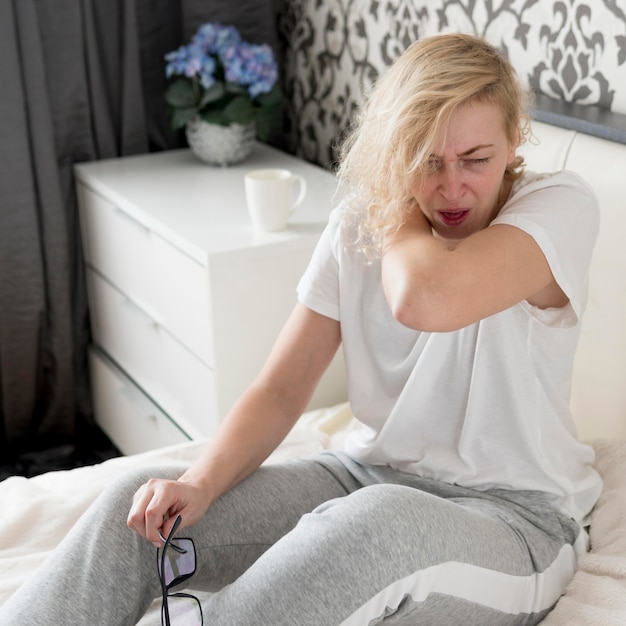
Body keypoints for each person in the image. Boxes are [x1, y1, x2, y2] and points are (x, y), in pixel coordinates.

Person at [0, 33, 602, 626]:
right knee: (139, 509)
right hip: (363, 476)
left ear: (515, 141)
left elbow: (425, 295)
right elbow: (281, 389)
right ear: (398, 149)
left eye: (476, 160)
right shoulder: (357, 227)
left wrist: (394, 188)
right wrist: (201, 484)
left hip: (515, 517)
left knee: (371, 526)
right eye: (425, 159)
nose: (450, 188)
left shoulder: (557, 208)